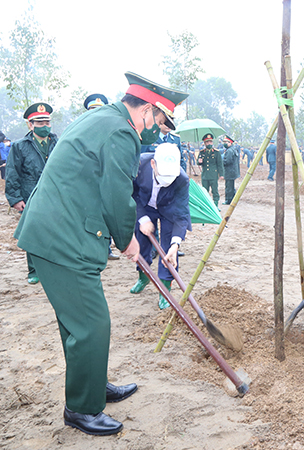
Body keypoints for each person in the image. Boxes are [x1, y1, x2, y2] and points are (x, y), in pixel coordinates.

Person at [14, 71, 188, 435]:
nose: (156, 130)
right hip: (63, 237)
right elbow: (116, 193)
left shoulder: (102, 118)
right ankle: (82, 409)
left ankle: (92, 384)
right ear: (146, 110)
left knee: (77, 323)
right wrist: (128, 239)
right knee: (93, 324)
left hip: (57, 230)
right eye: (158, 121)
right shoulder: (121, 131)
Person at [129, 143, 191, 309]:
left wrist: (175, 244)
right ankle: (143, 276)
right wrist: (142, 218)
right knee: (141, 242)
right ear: (153, 164)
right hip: (144, 205)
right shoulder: (139, 165)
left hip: (168, 210)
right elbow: (131, 193)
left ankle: (165, 290)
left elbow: (181, 214)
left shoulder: (182, 179)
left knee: (168, 249)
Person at [6, 102, 59, 284]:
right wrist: (15, 198)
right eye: (40, 123)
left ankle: (53, 267)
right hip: (30, 196)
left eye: (47, 122)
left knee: (56, 231)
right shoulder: (20, 146)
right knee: (33, 234)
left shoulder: (58, 143)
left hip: (55, 196)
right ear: (31, 124)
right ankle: (34, 270)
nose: (44, 126)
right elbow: (12, 173)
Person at [84, 94, 121, 261]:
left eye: (99, 110)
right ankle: (90, 251)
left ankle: (106, 249)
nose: (95, 114)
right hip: (86, 184)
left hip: (105, 183)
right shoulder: (81, 132)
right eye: (92, 110)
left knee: (106, 217)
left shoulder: (112, 132)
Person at [198, 133, 224, 206]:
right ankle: (206, 205)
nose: (209, 143)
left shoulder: (216, 152)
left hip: (213, 175)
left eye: (210, 142)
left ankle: (216, 205)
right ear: (204, 143)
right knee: (205, 191)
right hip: (205, 175)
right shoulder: (201, 152)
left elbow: (220, 164)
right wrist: (199, 162)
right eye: (207, 142)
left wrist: (221, 174)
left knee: (215, 191)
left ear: (212, 142)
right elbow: (199, 162)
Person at [222, 135, 239, 205]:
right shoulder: (233, 149)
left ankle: (228, 200)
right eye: (224, 142)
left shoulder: (229, 151)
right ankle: (234, 199)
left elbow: (227, 162)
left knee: (229, 187)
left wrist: (220, 162)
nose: (224, 143)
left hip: (229, 171)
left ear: (230, 142)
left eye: (226, 142)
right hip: (233, 171)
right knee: (231, 186)